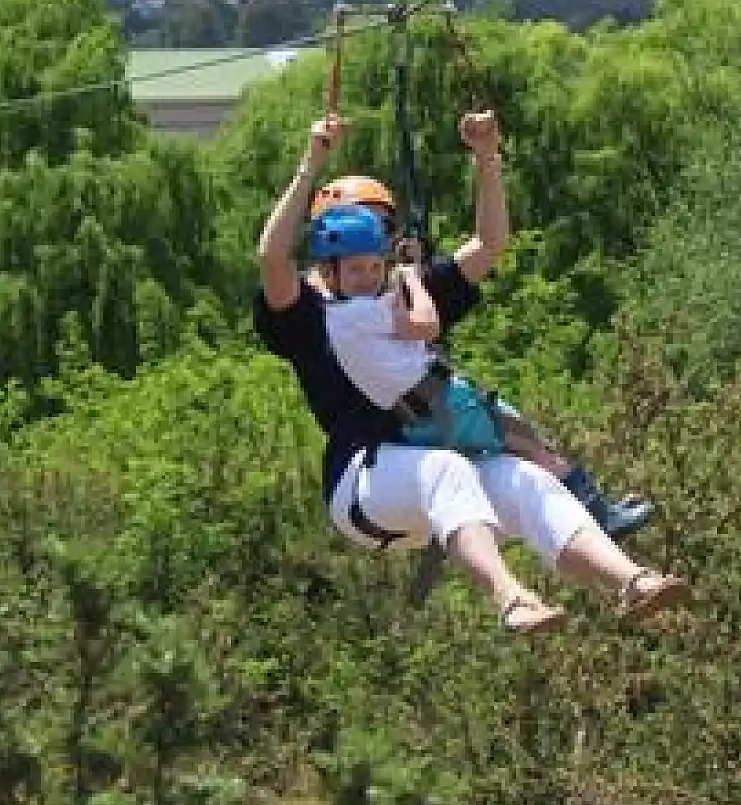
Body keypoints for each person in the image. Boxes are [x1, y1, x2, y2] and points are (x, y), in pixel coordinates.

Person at [252, 110, 690, 635]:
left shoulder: (403, 292)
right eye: (358, 246)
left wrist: (486, 158)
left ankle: (631, 580)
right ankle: (512, 601)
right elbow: (271, 256)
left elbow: (487, 246)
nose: (374, 261)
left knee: (526, 478)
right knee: (446, 469)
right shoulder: (306, 313)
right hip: (365, 482)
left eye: (381, 242)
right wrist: (311, 163)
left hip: (440, 481)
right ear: (327, 254)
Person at [305, 172, 657, 540]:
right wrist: (409, 276)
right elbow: (423, 322)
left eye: (381, 229)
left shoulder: (355, 301)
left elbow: (488, 245)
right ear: (330, 263)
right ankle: (599, 517)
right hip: (404, 440)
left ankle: (589, 520)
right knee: (532, 445)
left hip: (413, 436)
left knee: (524, 461)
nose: (373, 246)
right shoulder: (345, 307)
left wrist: (486, 160)